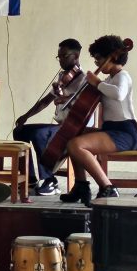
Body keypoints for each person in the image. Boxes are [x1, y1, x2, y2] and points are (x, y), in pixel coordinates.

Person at [59, 35, 137, 206]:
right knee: (73, 135)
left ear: (114, 56)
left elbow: (118, 94)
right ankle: (81, 185)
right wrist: (66, 99)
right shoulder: (109, 80)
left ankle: (108, 187)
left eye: (99, 59)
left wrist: (97, 83)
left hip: (125, 133)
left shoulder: (122, 76)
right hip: (111, 130)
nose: (97, 64)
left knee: (76, 145)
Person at [12, 38, 86, 196]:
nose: (60, 60)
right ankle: (30, 178)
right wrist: (26, 116)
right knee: (20, 131)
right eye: (59, 56)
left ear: (76, 55)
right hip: (60, 125)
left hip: (73, 127)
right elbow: (46, 101)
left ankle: (50, 180)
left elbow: (82, 106)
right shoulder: (63, 78)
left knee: (39, 134)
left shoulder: (83, 80)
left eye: (64, 56)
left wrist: (63, 98)